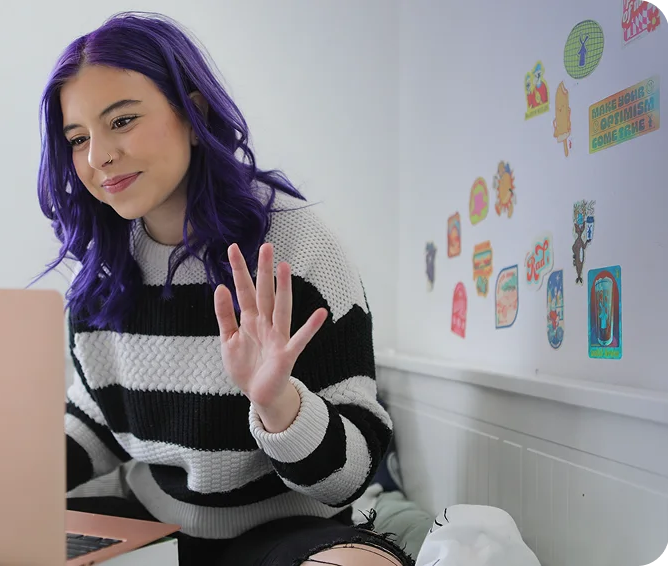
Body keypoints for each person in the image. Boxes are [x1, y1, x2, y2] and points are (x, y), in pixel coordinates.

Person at [35, 11, 407, 566]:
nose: (98, 157)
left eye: (122, 121)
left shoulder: (296, 246)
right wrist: (2, 470)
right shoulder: (105, 271)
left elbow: (348, 480)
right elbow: (97, 423)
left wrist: (280, 405)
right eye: (78, 138)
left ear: (193, 111)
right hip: (152, 530)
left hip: (282, 532)